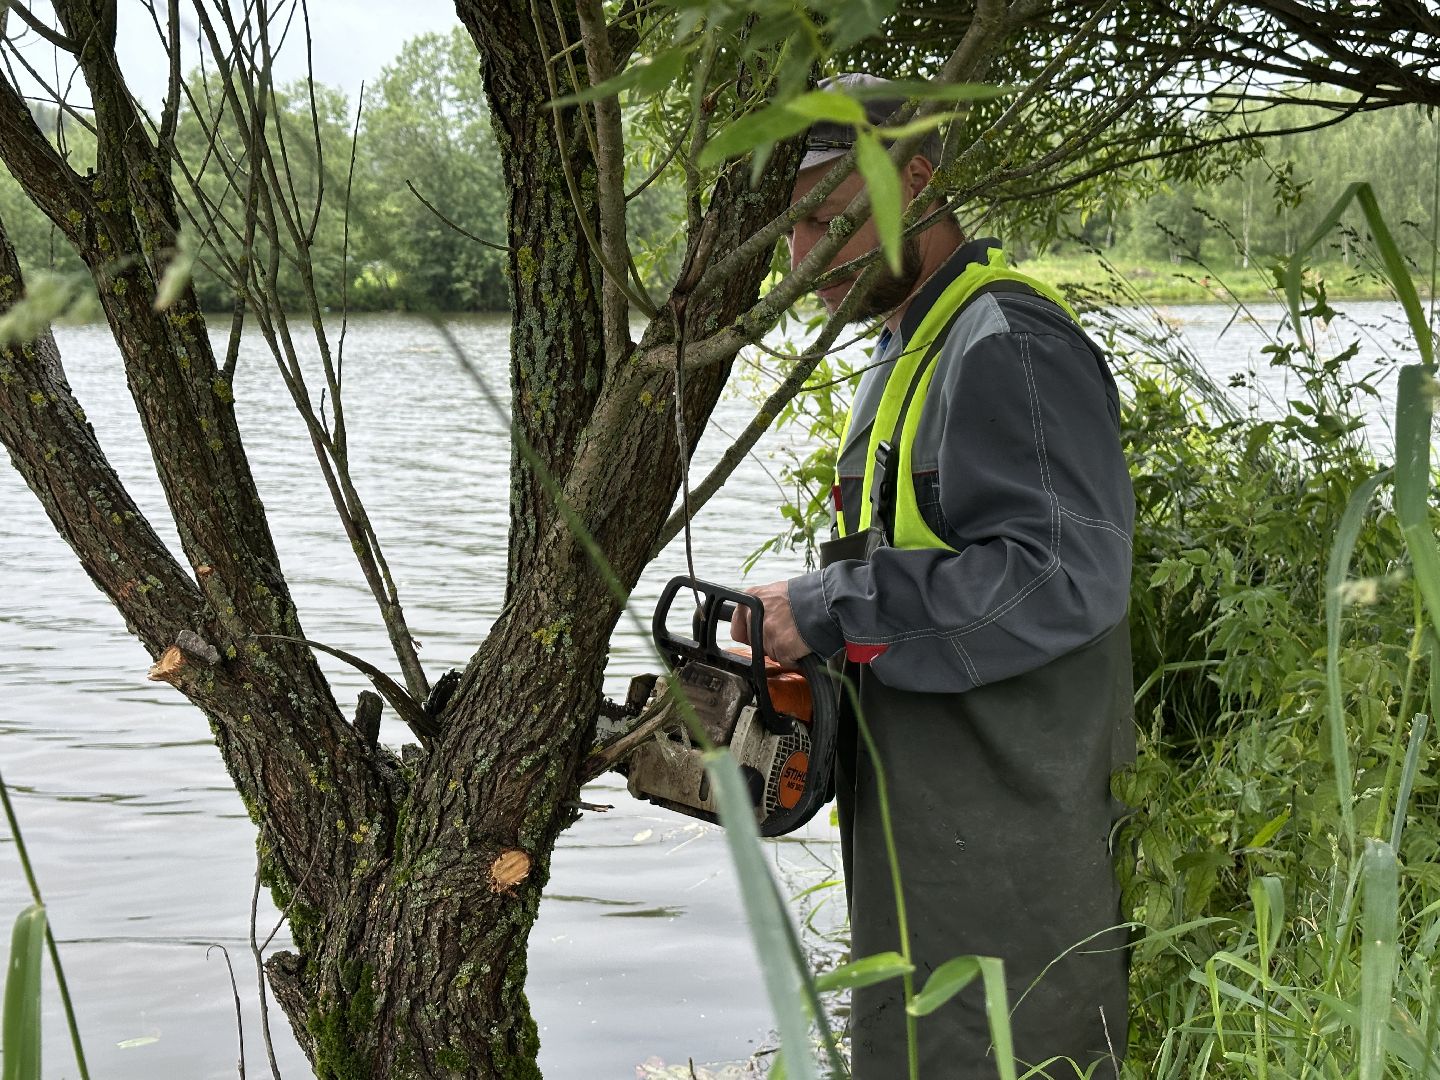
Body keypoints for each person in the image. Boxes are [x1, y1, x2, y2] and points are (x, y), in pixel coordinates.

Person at [730, 74, 1136, 1079]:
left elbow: (1060, 579)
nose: (803, 261)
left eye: (827, 220)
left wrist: (831, 607)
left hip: (1014, 867)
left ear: (914, 181)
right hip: (921, 856)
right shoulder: (908, 345)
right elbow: (921, 591)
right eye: (790, 231)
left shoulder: (1011, 345)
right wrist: (806, 652)